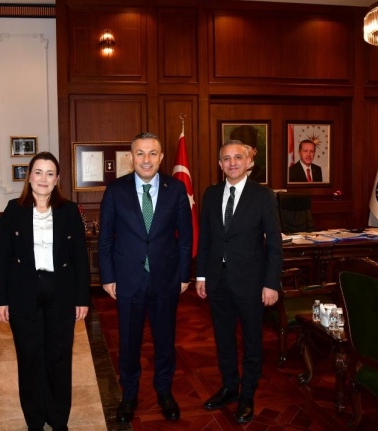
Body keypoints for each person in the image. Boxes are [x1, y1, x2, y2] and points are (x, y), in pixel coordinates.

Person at [98, 132, 193, 424]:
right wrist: (108, 276)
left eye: (153, 153)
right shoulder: (115, 190)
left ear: (162, 157)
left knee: (165, 341)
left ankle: (165, 392)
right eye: (140, 153)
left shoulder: (176, 189)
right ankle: (129, 395)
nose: (146, 159)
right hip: (128, 280)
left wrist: (184, 275)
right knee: (129, 343)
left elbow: (185, 238)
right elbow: (105, 239)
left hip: (166, 279)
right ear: (131, 157)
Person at [0, 152, 90, 431]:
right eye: (38, 172)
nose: (43, 179)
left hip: (61, 292)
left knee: (59, 358)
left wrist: (82, 298)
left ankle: (58, 420)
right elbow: (2, 259)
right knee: (29, 358)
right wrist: (1, 299)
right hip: (23, 293)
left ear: (57, 179)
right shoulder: (14, 210)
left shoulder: (69, 211)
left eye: (50, 173)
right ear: (29, 177)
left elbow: (80, 258)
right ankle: (34, 421)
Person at [195, 140, 283, 424]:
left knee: (252, 341)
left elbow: (275, 243)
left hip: (252, 283)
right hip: (217, 281)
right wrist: (201, 275)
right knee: (223, 339)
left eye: (238, 157)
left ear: (249, 162)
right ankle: (230, 387)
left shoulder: (263, 195)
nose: (232, 163)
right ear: (220, 164)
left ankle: (247, 395)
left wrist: (271, 283)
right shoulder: (211, 194)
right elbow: (205, 239)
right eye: (226, 158)